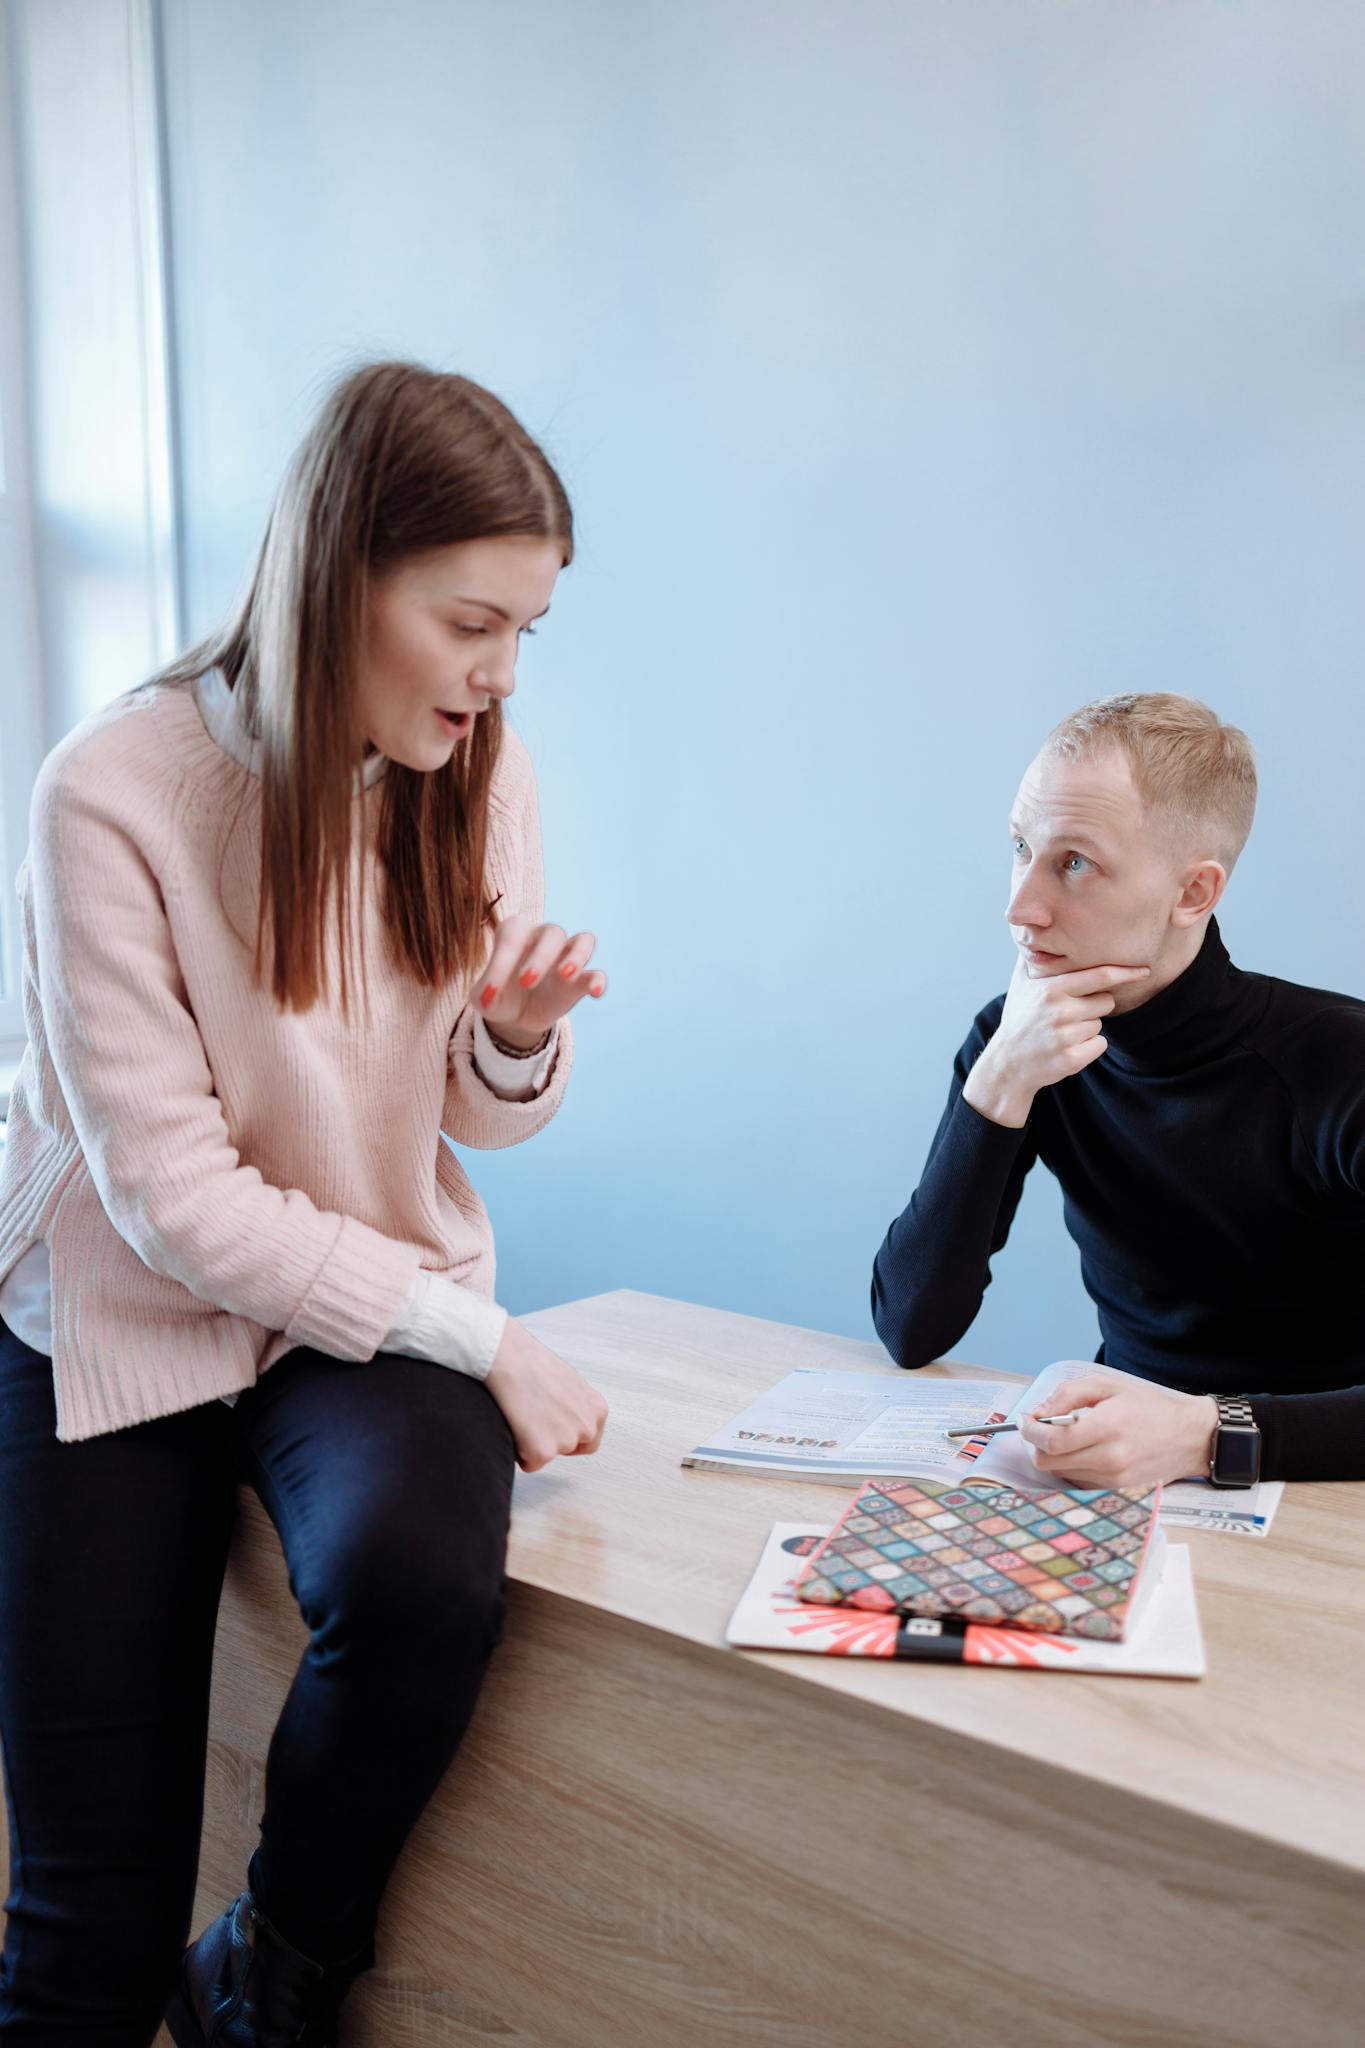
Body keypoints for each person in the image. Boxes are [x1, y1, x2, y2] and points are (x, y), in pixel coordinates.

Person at [0, 361, 610, 2045]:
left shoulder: (479, 775)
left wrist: (509, 1040)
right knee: (78, 1931)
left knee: (421, 1585)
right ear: (343, 575)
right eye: (470, 618)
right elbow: (172, 1198)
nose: (496, 675)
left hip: (348, 1297)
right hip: (115, 1315)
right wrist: (479, 1332)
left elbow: (466, 1113)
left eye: (526, 632)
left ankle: (271, 1966)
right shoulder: (105, 791)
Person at [871, 692, 1365, 1488]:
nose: (1019, 908)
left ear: (1193, 894)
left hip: (1328, 1496)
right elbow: (910, 1327)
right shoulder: (1020, 1040)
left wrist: (1208, 1433)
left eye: (1074, 862)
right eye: (1019, 846)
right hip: (1123, 1487)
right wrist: (995, 1088)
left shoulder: (1342, 1065)